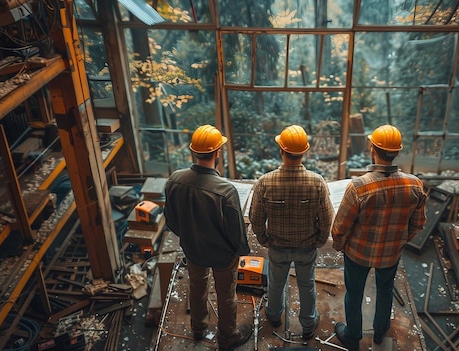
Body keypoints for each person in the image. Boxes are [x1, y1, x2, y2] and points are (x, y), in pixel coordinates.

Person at [331, 124, 427, 351]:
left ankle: (352, 337)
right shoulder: (414, 184)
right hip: (391, 254)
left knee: (354, 294)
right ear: (397, 152)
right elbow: (418, 223)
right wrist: (400, 240)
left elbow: (339, 228)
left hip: (357, 254)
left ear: (372, 147)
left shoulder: (358, 187)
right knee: (385, 289)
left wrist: (339, 245)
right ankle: (380, 331)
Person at [164, 124, 252, 351]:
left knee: (197, 286)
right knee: (226, 295)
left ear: (193, 151)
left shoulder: (175, 179)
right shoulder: (226, 190)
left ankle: (198, 327)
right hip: (223, 255)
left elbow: (171, 220)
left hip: (193, 250)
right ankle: (228, 336)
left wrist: (189, 237)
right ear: (217, 153)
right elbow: (236, 232)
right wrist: (240, 251)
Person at [249, 124, 334, 340]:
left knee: (276, 283)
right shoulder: (317, 182)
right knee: (307, 285)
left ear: (281, 150)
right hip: (307, 246)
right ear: (305, 151)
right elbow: (326, 219)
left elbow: (256, 218)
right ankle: (307, 324)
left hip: (277, 246)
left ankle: (274, 316)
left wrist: (264, 239)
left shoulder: (265, 182)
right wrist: (320, 240)